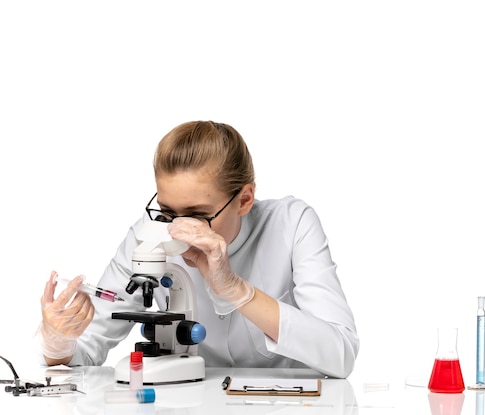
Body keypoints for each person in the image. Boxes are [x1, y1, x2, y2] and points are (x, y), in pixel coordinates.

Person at [37, 120, 359, 378]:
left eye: (198, 216)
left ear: (244, 200)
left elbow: (340, 355)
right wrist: (59, 340)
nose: (179, 230)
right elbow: (86, 350)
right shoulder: (147, 233)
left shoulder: (291, 224)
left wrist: (237, 291)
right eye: (166, 211)